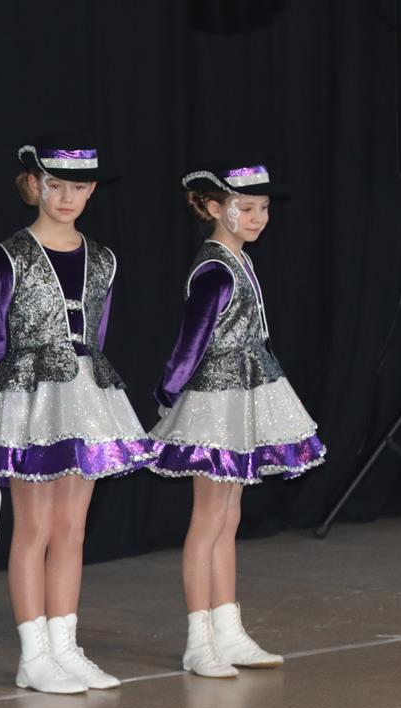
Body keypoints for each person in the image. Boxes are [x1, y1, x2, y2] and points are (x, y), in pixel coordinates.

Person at [0, 137, 155, 695]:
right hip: (28, 399)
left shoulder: (103, 259)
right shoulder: (10, 254)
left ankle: (65, 645)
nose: (68, 196)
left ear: (92, 190)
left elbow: (96, 334)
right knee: (34, 527)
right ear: (36, 185)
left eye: (79, 186)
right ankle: (34, 654)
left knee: (73, 527)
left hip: (83, 396)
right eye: (57, 185)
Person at [150, 161, 325, 676]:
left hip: (241, 393)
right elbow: (191, 343)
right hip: (215, 403)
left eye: (263, 208)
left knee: (229, 517)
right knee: (209, 519)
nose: (257, 217)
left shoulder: (238, 260)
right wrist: (168, 394)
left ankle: (228, 630)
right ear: (213, 208)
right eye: (245, 207)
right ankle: (198, 640)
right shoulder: (215, 269)